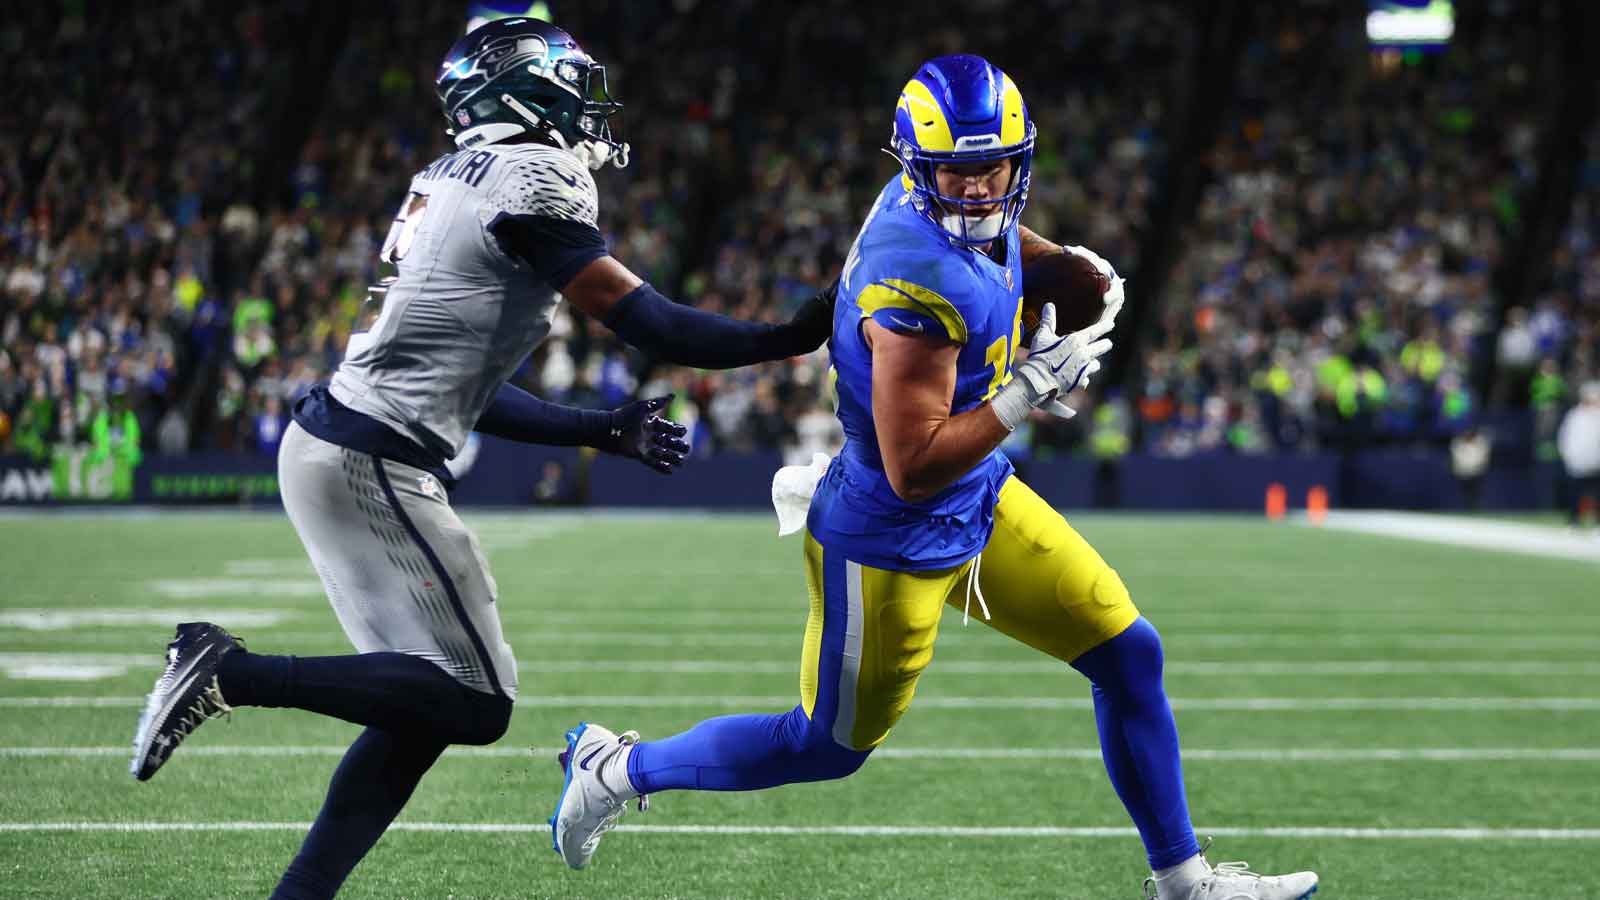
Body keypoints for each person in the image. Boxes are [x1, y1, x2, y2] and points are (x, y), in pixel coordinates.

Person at [552, 55, 1318, 900]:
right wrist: (1026, 391)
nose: (980, 191)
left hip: (978, 498)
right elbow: (913, 469)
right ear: (921, 171)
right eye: (958, 173)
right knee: (826, 748)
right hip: (889, 534)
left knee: (1129, 654)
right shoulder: (914, 285)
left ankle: (1182, 880)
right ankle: (616, 768)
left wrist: (1065, 267)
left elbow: (999, 240)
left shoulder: (943, 209)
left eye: (995, 169)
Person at [127, 18, 835, 899]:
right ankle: (227, 670)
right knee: (478, 701)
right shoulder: (531, 176)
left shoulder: (450, 178)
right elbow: (647, 320)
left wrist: (593, 428)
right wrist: (790, 335)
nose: (585, 105)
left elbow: (465, 386)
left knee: (418, 704)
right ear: (523, 94)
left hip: (341, 442)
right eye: (570, 85)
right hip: (369, 460)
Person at [1557, 381, 1600, 529]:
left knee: (1597, 494)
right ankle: (1573, 521)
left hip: (1596, 462)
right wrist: (1568, 455)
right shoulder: (1575, 415)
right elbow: (1565, 436)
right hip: (1577, 462)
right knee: (1575, 493)